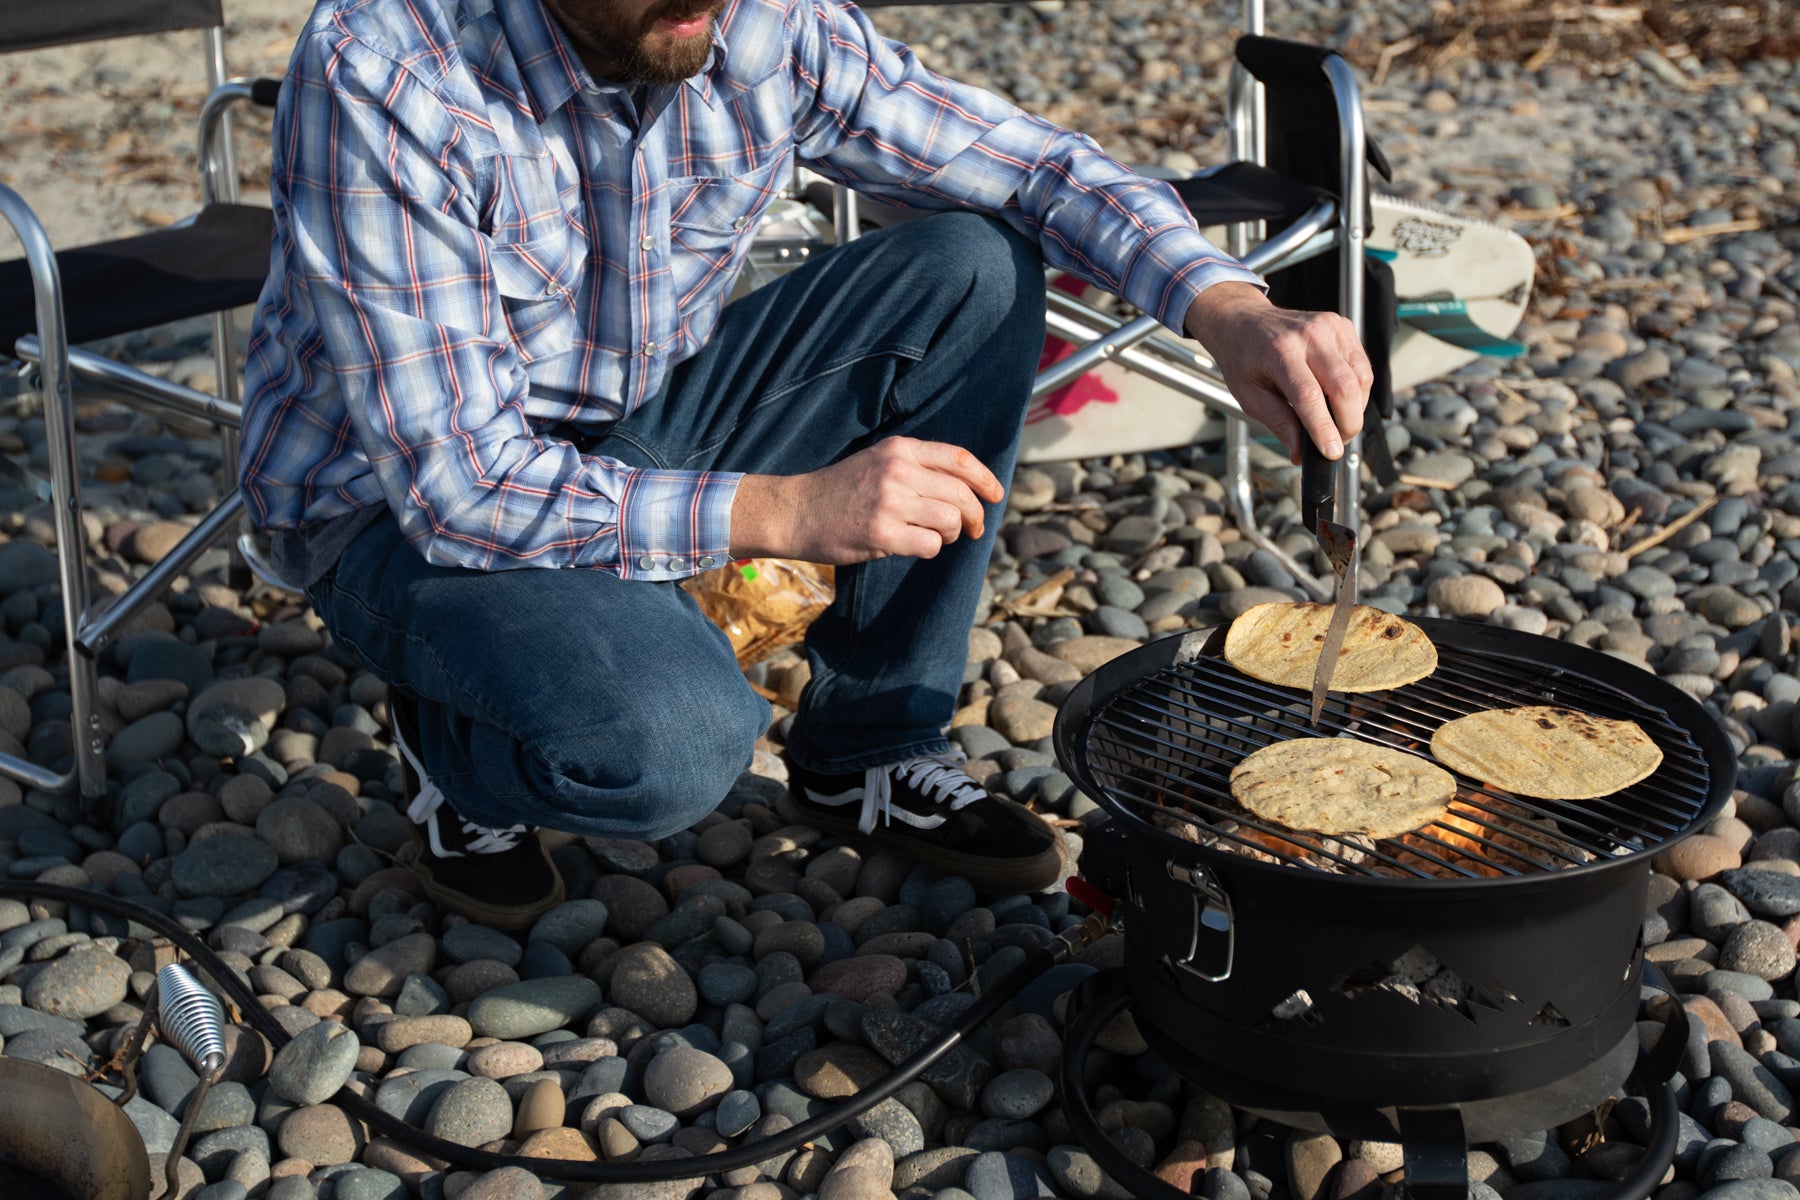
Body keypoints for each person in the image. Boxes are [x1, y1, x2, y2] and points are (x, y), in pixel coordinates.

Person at [239, 0, 1372, 931]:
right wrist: (789, 510)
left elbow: (1034, 168)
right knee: (670, 748)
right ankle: (458, 742)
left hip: (638, 425)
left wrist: (1223, 305)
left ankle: (867, 749)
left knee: (974, 266)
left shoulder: (753, 20)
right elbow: (464, 490)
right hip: (392, 509)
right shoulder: (389, 67)